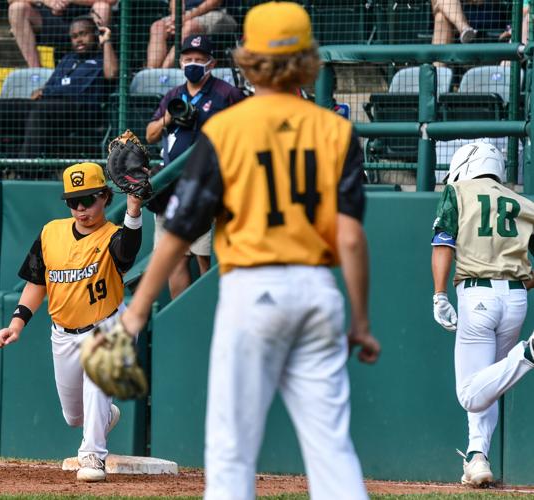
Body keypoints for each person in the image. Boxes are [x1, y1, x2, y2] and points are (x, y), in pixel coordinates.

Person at [121, 3, 380, 499]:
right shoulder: (336, 129)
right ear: (307, 59)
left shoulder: (227, 129)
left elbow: (178, 231)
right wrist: (362, 321)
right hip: (317, 292)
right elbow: (350, 236)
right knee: (331, 449)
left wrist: (136, 312)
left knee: (231, 451)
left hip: (252, 289)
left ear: (247, 60)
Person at [0, 162, 143, 482]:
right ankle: (102, 417)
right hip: (63, 333)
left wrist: (133, 208)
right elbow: (37, 282)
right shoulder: (51, 233)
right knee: (74, 415)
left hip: (107, 326)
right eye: (73, 201)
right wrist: (17, 323)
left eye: (88, 199)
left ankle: (92, 455)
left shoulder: (113, 235)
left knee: (98, 376)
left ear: (105, 197)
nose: (80, 208)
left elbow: (128, 253)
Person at [431, 142, 534, 488]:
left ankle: (528, 354)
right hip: (516, 300)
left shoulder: (457, 191)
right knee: (489, 383)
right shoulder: (522, 202)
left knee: (470, 393)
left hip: (477, 295)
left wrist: (439, 294)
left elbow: (443, 242)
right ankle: (477, 457)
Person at [145, 34, 243, 298]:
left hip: (208, 187)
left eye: (199, 59)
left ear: (211, 63)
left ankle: (208, 313)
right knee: (175, 259)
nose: (193, 64)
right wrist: (169, 116)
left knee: (204, 258)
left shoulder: (227, 93)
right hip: (172, 188)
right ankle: (184, 316)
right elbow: (150, 134)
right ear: (180, 62)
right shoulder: (173, 95)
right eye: (188, 59)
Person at [20, 15, 117, 159]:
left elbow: (112, 74)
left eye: (83, 34)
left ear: (96, 34)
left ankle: (25, 169)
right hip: (51, 106)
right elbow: (48, 87)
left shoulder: (103, 57)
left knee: (41, 110)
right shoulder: (67, 59)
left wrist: (106, 41)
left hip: (82, 109)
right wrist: (39, 91)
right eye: (74, 37)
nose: (78, 40)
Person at [8, 0, 115, 68]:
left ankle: (95, 65)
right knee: (17, 8)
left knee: (103, 7)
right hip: (52, 21)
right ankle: (36, 72)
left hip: (87, 20)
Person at [147, 0, 236, 69]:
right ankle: (150, 72)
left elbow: (214, 2)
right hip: (184, 15)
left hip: (217, 13)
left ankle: (164, 72)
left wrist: (185, 18)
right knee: (158, 26)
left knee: (189, 26)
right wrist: (175, 18)